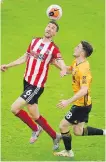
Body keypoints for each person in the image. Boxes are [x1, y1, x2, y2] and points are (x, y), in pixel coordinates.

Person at [0, 21, 67, 150]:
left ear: (55, 33)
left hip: (36, 85)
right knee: (35, 115)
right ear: (45, 27)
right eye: (48, 26)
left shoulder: (54, 48)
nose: (49, 29)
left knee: (14, 108)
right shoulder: (34, 41)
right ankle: (55, 136)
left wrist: (63, 68)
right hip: (26, 82)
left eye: (53, 28)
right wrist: (7, 65)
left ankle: (36, 129)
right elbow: (24, 58)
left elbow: (61, 60)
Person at [52, 41, 106, 157]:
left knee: (63, 125)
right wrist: (55, 64)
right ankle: (104, 132)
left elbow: (84, 90)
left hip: (81, 105)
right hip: (83, 103)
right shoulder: (77, 63)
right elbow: (70, 70)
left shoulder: (84, 69)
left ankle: (68, 152)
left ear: (82, 52)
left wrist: (67, 101)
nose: (75, 48)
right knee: (78, 131)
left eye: (78, 47)